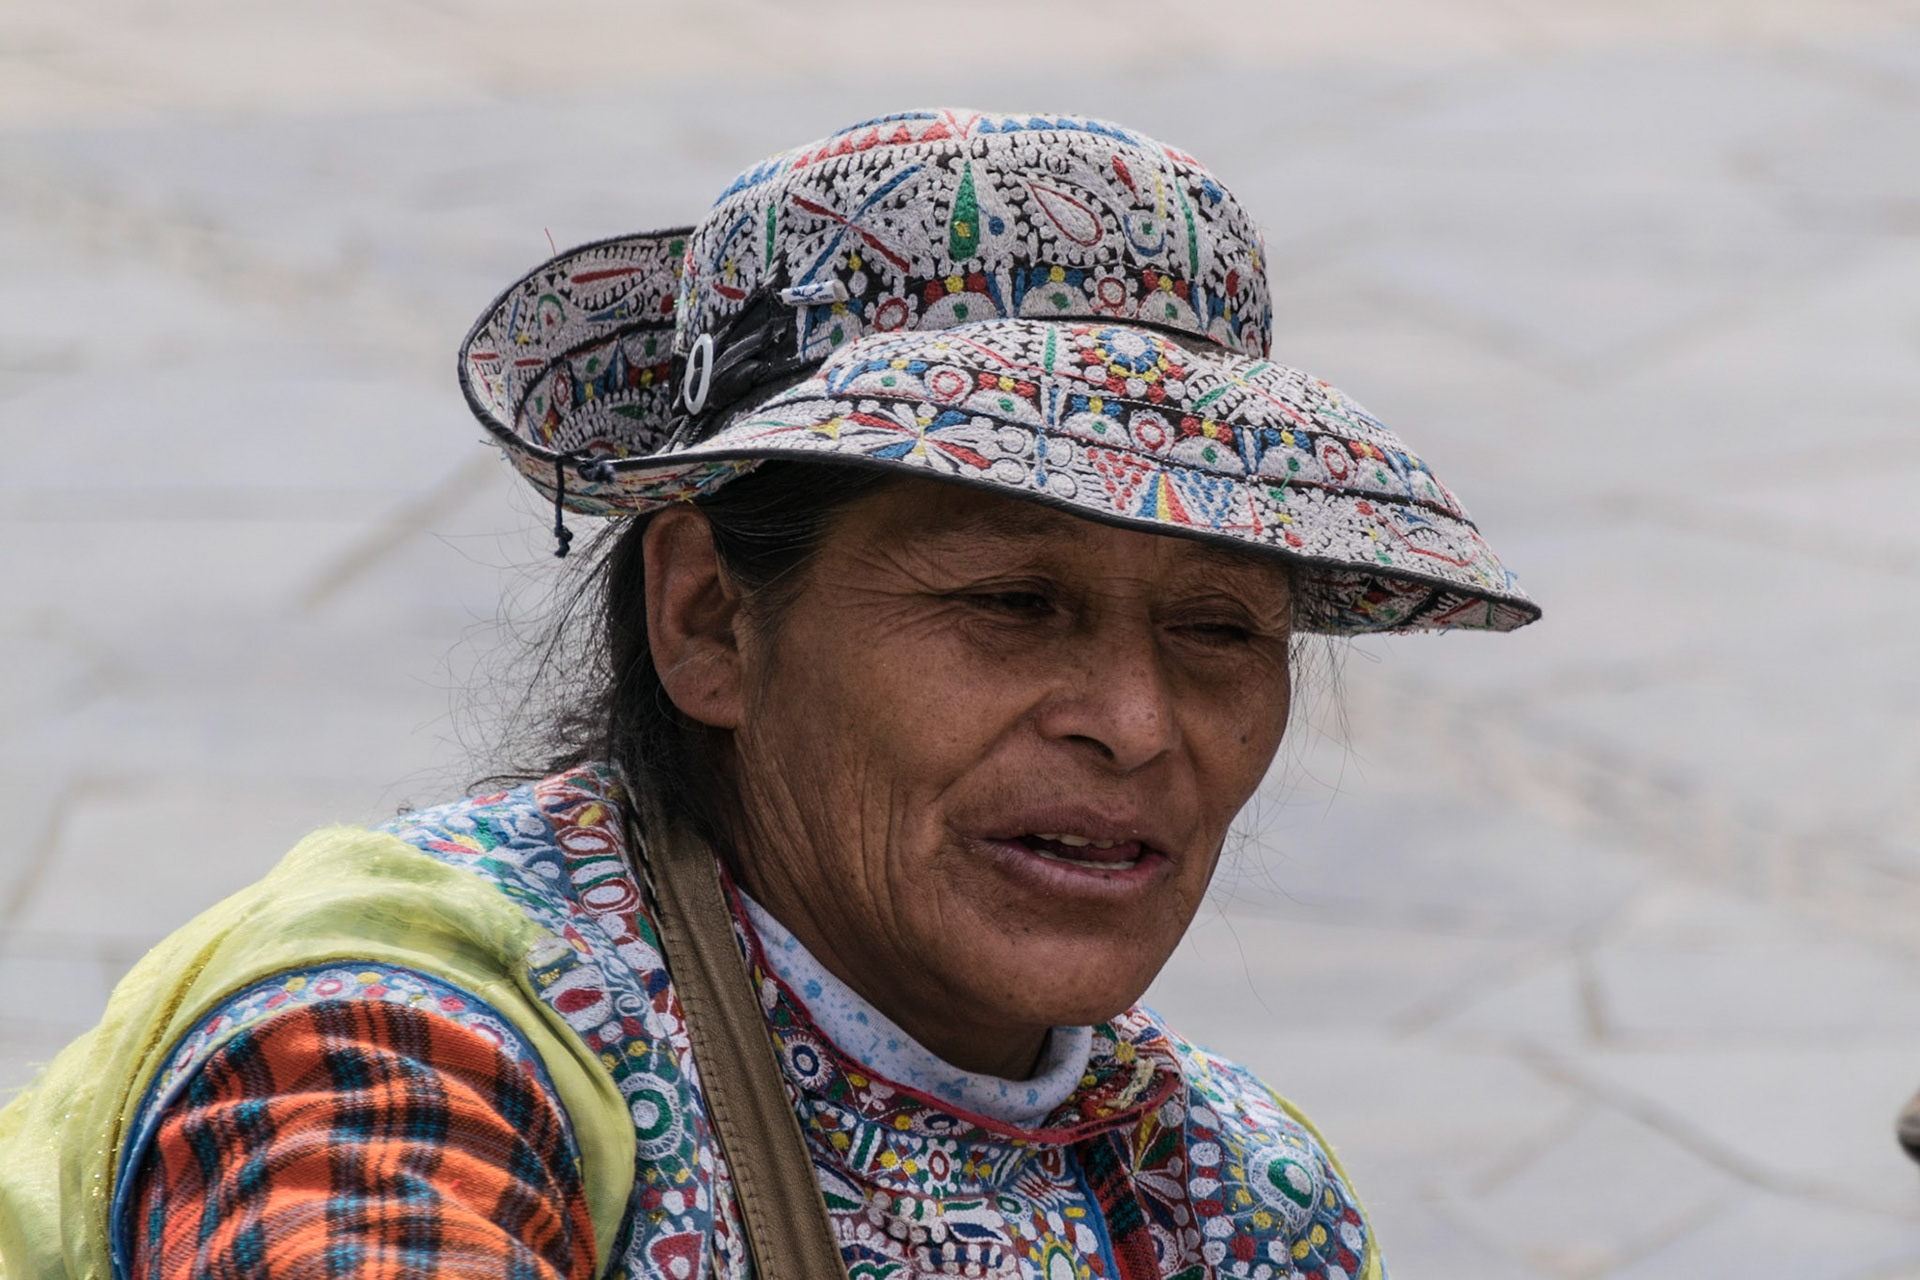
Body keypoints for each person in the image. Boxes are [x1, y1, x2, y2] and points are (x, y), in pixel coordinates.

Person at [0, 110, 1538, 1280]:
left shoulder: (1220, 1197)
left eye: (1215, 632)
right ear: (710, 619)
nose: (1135, 724)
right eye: (1013, 604)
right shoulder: (399, 1048)